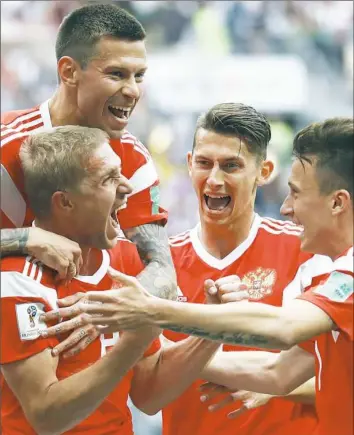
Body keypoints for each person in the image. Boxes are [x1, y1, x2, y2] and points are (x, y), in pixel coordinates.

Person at [42, 103, 330, 435]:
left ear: (263, 171)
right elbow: (148, 399)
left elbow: (336, 367)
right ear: (190, 165)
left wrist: (278, 384)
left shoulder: (305, 250)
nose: (215, 180)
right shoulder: (158, 267)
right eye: (205, 163)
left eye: (232, 166)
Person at [0, 126, 221, 435]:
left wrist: (211, 330)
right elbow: (47, 416)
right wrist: (136, 336)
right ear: (64, 202)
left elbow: (148, 394)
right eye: (109, 178)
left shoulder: (127, 259)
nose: (127, 187)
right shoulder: (19, 279)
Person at [0, 3, 177, 309]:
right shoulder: (6, 146)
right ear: (69, 72)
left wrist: (97, 313)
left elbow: (163, 272)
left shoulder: (134, 161)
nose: (133, 91)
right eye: (117, 74)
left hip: (84, 342)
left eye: (139, 76)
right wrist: (26, 239)